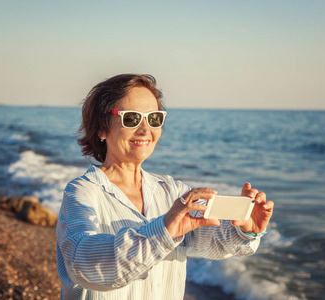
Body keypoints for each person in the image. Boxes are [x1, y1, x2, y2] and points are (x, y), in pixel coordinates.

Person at [56, 74, 274, 300]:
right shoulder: (82, 192)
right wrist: (163, 231)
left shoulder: (171, 191)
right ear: (101, 128)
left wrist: (245, 229)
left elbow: (211, 239)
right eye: (131, 118)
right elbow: (84, 264)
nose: (144, 129)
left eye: (154, 119)